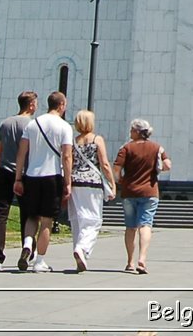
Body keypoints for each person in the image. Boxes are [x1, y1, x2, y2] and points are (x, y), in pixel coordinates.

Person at [12, 90, 73, 273]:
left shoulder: (32, 125)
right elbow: (67, 156)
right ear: (61, 105)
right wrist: (68, 182)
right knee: (47, 221)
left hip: (31, 176)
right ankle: (39, 261)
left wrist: (18, 178)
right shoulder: (64, 127)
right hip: (52, 176)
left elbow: (21, 153)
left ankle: (28, 244)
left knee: (32, 216)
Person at [114, 117, 169, 274]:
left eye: (132, 130)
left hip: (129, 192)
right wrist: (157, 170)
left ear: (138, 132)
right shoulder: (157, 148)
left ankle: (130, 261)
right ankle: (142, 259)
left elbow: (116, 169)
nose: (130, 132)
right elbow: (167, 164)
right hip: (150, 192)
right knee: (145, 225)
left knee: (130, 227)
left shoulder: (126, 148)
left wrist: (120, 181)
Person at [0, 91, 36, 270]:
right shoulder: (32, 125)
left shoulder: (5, 124)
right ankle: (27, 252)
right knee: (28, 214)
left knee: (1, 214)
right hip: (25, 174)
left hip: (5, 172)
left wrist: (0, 169)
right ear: (31, 105)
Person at [68, 108, 116, 273]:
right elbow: (104, 163)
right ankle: (83, 249)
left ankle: (79, 253)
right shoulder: (97, 139)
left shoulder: (73, 141)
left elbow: (69, 161)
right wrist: (112, 182)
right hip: (92, 183)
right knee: (93, 220)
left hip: (75, 182)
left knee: (77, 219)